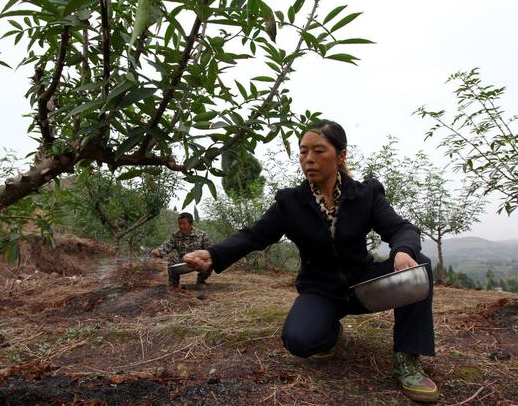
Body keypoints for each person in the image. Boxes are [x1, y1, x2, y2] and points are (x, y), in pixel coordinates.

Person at [182, 120, 438, 403]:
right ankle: (330, 332)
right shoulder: (290, 202)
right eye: (303, 152)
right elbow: (255, 235)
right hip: (321, 290)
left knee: (420, 264)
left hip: (366, 285)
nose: (309, 159)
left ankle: (408, 359)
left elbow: (402, 228)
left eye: (318, 150)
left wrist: (404, 250)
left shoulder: (365, 194)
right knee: (299, 342)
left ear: (341, 156)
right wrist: (214, 255)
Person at [151, 212, 213, 290]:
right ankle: (174, 284)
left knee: (211, 260)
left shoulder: (202, 235)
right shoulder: (176, 236)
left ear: (191, 224)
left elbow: (210, 250)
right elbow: (167, 246)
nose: (181, 226)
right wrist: (158, 251)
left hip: (198, 262)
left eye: (184, 224)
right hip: (183, 262)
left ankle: (201, 281)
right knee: (172, 261)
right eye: (179, 224)